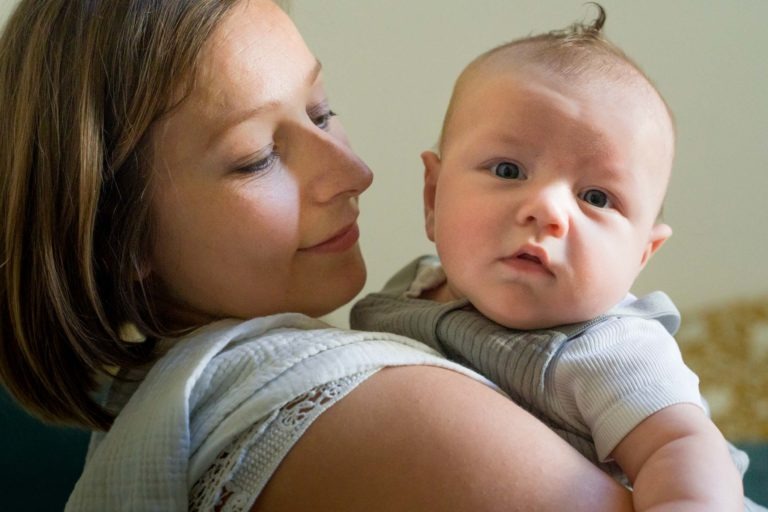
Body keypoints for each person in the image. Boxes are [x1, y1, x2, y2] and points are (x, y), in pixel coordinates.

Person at [0, 0, 641, 510]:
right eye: (258, 157)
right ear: (122, 238)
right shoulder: (367, 411)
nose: (355, 172)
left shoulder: (163, 408)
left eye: (321, 111)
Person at [351, 6, 764, 512]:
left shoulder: (614, 350)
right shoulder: (407, 292)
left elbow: (681, 446)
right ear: (433, 197)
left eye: (595, 197)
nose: (547, 210)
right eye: (508, 169)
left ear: (641, 255)